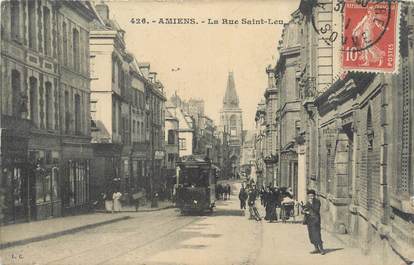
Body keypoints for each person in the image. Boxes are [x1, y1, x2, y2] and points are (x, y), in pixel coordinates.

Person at [303, 189, 325, 255]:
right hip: (309, 221)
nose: (311, 197)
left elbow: (316, 210)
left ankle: (321, 249)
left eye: (312, 196)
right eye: (309, 196)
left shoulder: (317, 201)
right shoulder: (308, 202)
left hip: (316, 220)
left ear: (314, 196)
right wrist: (304, 211)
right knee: (311, 235)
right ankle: (316, 248)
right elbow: (305, 209)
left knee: (317, 234)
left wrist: (309, 208)